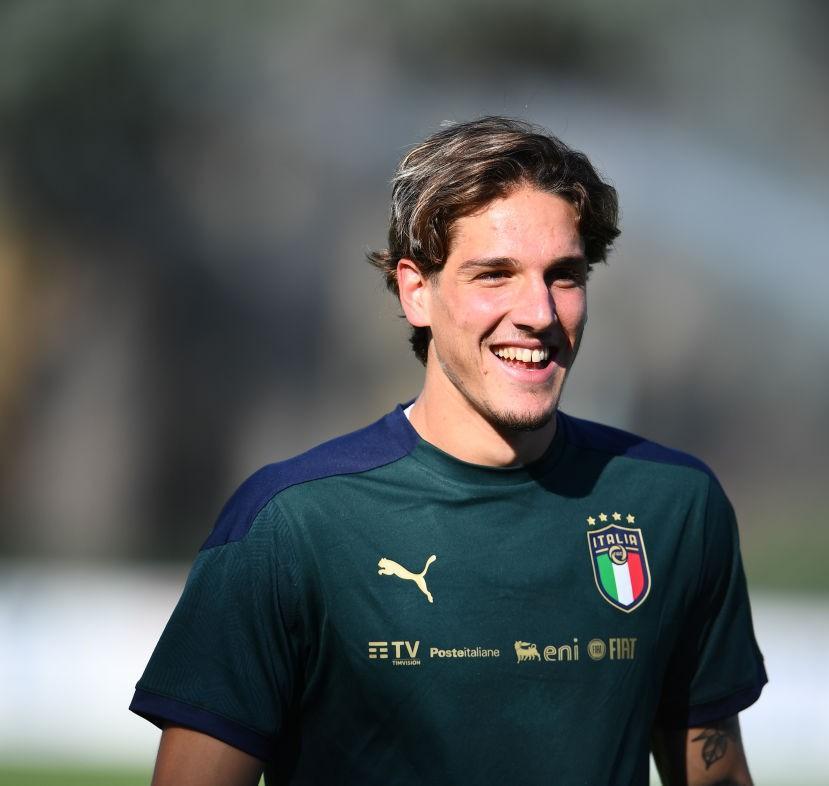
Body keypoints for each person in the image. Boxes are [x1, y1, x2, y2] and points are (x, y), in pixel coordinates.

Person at [130, 116, 767, 786]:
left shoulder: (675, 507)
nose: (539, 313)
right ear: (416, 292)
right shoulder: (290, 525)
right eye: (495, 274)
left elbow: (715, 776)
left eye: (564, 275)